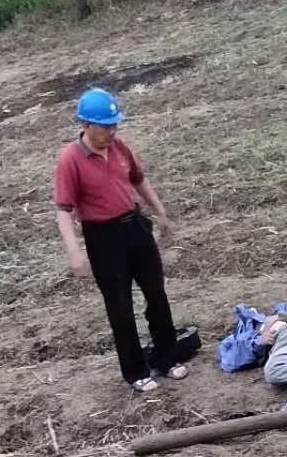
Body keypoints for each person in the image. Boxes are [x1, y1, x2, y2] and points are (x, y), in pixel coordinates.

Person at [54, 88, 187, 393]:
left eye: (115, 125)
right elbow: (63, 210)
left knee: (156, 293)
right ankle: (136, 371)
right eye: (105, 126)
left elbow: (138, 179)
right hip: (104, 238)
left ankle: (167, 357)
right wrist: (75, 253)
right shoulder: (70, 160)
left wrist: (160, 211)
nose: (112, 132)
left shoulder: (119, 147)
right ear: (86, 124)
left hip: (135, 227)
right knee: (120, 306)